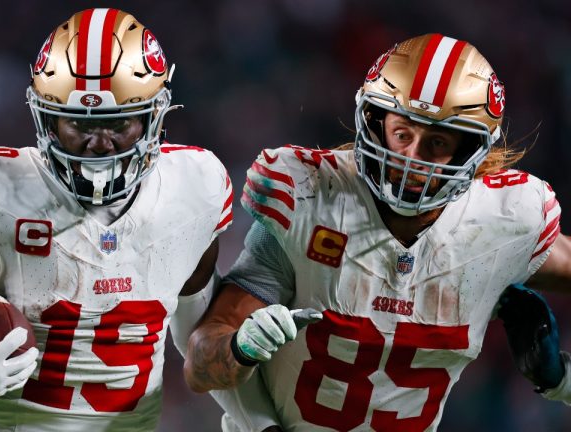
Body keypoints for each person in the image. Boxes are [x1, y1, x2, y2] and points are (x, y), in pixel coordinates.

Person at [0, 8, 238, 431]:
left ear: (153, 117)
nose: (99, 144)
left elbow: (198, 330)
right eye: (78, 123)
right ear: (46, 119)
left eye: (118, 122)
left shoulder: (193, 189)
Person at [184, 33, 571, 432]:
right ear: (375, 122)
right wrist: (240, 348)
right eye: (402, 134)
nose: (411, 158)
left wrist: (562, 381)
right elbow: (201, 368)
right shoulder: (313, 197)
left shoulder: (503, 222)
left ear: (471, 151)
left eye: (436, 142)